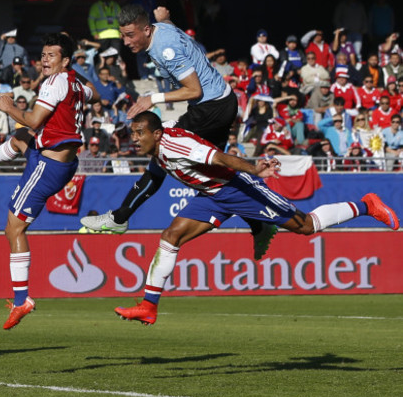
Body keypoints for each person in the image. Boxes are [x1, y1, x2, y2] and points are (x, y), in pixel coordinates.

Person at [112, 112, 399, 325]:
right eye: (133, 134)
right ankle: (149, 306)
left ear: (158, 133)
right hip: (212, 196)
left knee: (305, 226)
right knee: (170, 236)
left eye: (139, 133)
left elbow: (221, 158)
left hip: (237, 188)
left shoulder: (177, 146)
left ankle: (366, 205)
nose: (134, 139)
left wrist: (253, 169)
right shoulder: (160, 150)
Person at [82, 4, 276, 260]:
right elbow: (180, 41)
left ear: (147, 29)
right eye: (123, 35)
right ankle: (259, 224)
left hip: (210, 107)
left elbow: (193, 90)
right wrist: (168, 20)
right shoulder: (161, 31)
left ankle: (120, 217)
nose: (126, 41)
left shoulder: (164, 48)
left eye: (131, 35)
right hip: (221, 103)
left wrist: (153, 98)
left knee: (161, 154)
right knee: (217, 176)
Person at [0, 33, 98, 329]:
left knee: (13, 228)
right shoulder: (74, 82)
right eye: (44, 54)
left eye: (52, 55)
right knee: (22, 138)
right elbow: (95, 94)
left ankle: (22, 298)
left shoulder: (56, 81)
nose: (45, 60)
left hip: (48, 166)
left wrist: (7, 106)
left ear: (65, 61)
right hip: (56, 159)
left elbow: (34, 120)